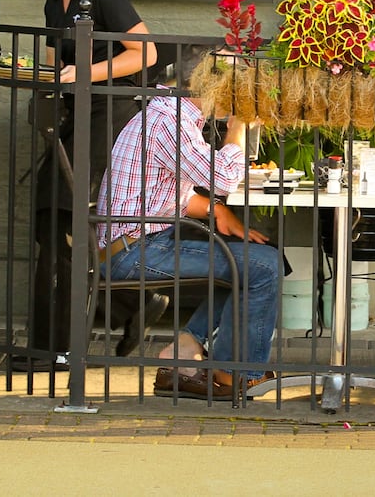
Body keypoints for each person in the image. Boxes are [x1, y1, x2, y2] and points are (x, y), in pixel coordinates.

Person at [19, 0, 159, 370]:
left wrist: (85, 74)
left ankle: (57, 349)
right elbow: (59, 64)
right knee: (51, 222)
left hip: (106, 122)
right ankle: (123, 310)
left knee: (64, 223)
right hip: (71, 120)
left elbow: (145, 53)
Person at [97, 62, 282, 399]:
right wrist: (238, 124)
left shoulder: (172, 115)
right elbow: (223, 179)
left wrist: (218, 211)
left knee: (262, 258)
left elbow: (167, 195)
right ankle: (231, 375)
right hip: (132, 250)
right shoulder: (170, 122)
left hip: (142, 239)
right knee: (263, 266)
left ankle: (183, 350)